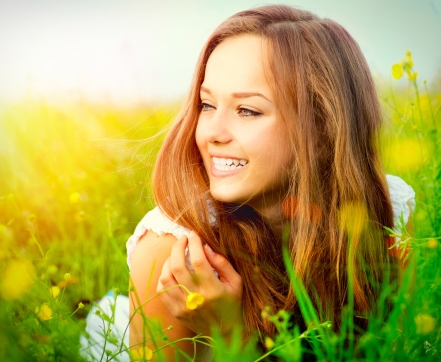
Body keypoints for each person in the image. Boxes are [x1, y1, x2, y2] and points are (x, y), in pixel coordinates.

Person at [81, 4, 415, 361]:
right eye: (207, 105)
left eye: (247, 111)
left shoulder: (386, 211)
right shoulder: (171, 249)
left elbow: (405, 351)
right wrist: (226, 336)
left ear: (321, 129)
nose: (211, 132)